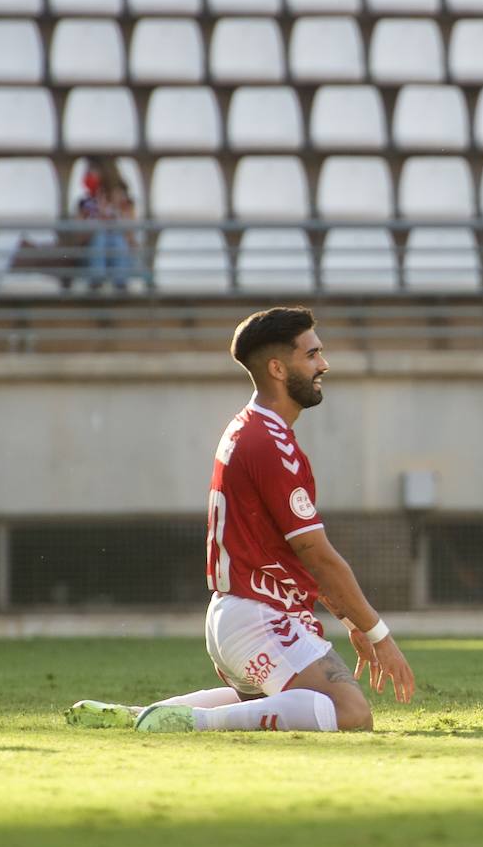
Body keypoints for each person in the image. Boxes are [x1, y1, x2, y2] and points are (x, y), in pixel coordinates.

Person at [66, 307, 416, 733]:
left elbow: (294, 554)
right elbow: (317, 555)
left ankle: (142, 716)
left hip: (233, 615)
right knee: (351, 712)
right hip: (261, 616)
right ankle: (193, 724)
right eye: (312, 355)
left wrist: (347, 620)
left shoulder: (246, 429)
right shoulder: (270, 443)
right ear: (277, 368)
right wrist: (379, 634)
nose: (323, 364)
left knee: (273, 700)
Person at [77, 156, 139, 291]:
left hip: (121, 253)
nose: (88, 174)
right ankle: (97, 282)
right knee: (100, 238)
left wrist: (117, 215)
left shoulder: (125, 201)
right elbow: (79, 237)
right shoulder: (85, 202)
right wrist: (96, 220)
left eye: (92, 170)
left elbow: (132, 236)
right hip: (92, 254)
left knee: (117, 239)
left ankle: (120, 282)